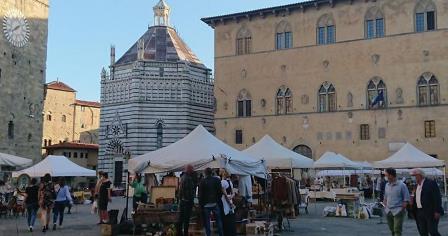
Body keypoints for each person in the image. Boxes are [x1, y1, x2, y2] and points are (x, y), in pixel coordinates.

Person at [410, 168, 442, 236]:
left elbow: (437, 197)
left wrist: (437, 211)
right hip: (420, 211)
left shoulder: (430, 183)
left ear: (420, 175)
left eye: (415, 176)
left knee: (432, 231)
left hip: (430, 211)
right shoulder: (416, 186)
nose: (414, 178)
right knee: (423, 232)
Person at [383, 168, 410, 236]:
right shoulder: (387, 185)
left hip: (398, 210)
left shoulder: (402, 185)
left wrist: (402, 208)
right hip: (388, 210)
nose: (386, 177)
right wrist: (385, 204)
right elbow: (385, 196)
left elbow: (406, 198)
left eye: (386, 175)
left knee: (397, 229)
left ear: (391, 175)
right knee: (392, 229)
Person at [198, 168, 223, 236]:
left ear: (205, 173)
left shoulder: (202, 181)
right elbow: (220, 192)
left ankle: (208, 234)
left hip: (206, 204)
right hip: (215, 202)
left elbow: (200, 194)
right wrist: (217, 199)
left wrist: (200, 204)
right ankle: (221, 234)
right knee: (218, 220)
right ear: (211, 172)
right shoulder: (217, 180)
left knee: (207, 221)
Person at [176, 165, 196, 236]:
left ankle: (179, 233)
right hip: (187, 202)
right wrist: (191, 201)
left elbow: (181, 190)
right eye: (192, 169)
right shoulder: (188, 178)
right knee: (186, 219)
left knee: (181, 218)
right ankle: (185, 233)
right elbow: (189, 191)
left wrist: (180, 199)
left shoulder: (183, 177)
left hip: (183, 201)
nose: (193, 170)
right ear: (189, 170)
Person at [220, 170, 236, 236]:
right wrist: (231, 197)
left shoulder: (222, 182)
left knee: (226, 218)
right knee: (231, 217)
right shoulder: (230, 182)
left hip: (225, 201)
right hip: (230, 199)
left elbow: (225, 195)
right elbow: (233, 193)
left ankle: (227, 233)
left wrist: (230, 203)